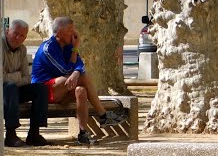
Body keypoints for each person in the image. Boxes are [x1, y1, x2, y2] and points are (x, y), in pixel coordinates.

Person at [31, 17, 126, 145]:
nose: (74, 33)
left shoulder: (69, 46)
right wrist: (76, 68)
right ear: (59, 33)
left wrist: (76, 68)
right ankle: (103, 115)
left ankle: (83, 133)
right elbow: (65, 71)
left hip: (63, 89)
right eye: (70, 30)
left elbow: (81, 66)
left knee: (81, 90)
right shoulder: (48, 49)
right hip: (44, 91)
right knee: (82, 77)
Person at [3, 20, 50, 147]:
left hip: (13, 90)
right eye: (15, 33)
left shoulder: (22, 49)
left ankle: (34, 133)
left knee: (40, 88)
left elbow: (27, 78)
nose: (18, 38)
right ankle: (11, 135)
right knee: (10, 87)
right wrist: (18, 76)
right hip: (3, 91)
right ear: (7, 32)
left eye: (22, 36)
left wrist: (12, 77)